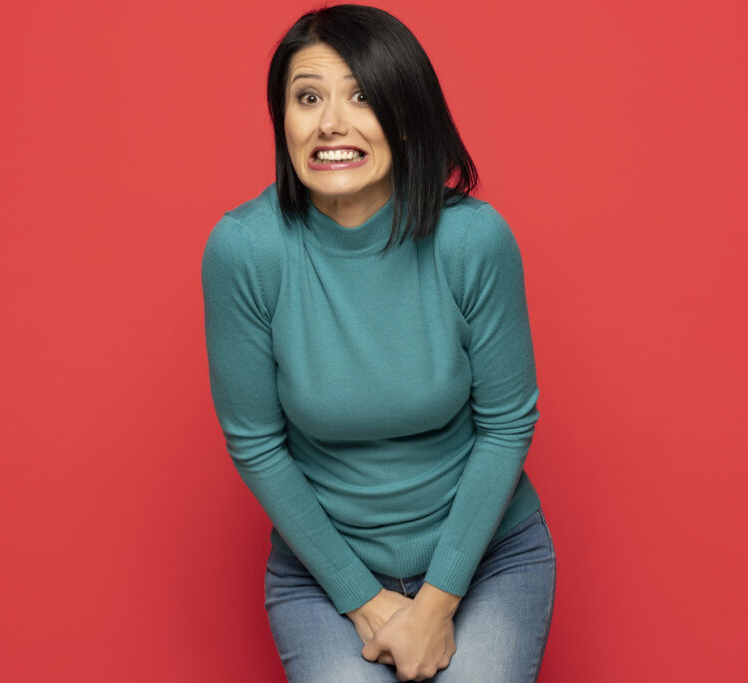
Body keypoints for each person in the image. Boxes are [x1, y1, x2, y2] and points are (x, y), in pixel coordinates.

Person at [201, 5, 554, 681]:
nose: (330, 123)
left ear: (406, 113)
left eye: (362, 96)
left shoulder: (473, 240)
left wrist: (436, 605)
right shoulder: (245, 250)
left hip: (485, 557)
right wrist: (363, 599)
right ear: (283, 119)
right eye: (308, 98)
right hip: (327, 570)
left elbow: (507, 423)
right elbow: (255, 442)